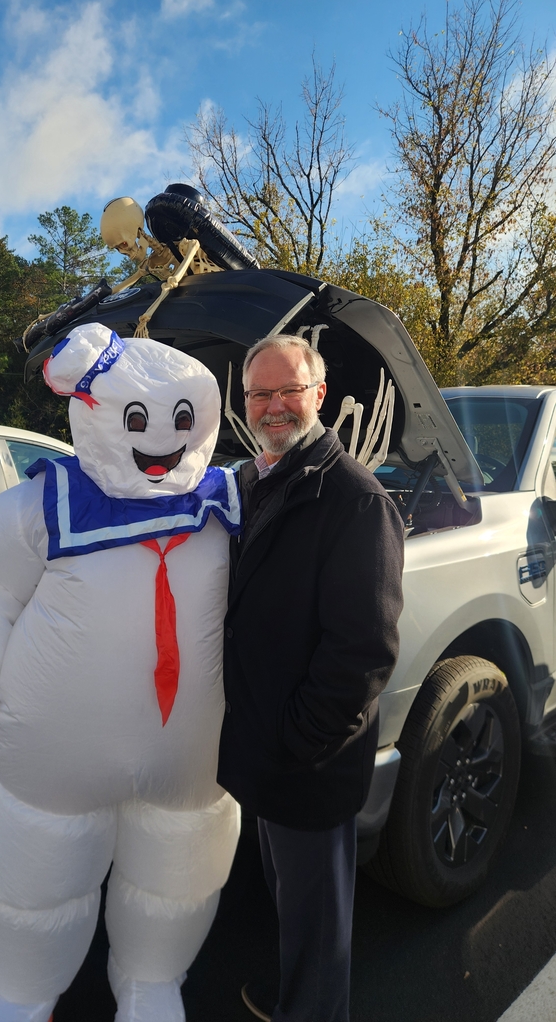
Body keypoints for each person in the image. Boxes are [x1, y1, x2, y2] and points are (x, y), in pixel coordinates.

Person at [0, 323, 241, 1022]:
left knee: (181, 869)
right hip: (59, 748)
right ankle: (21, 992)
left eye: (181, 419)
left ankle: (152, 981)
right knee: (38, 867)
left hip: (190, 751)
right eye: (138, 419)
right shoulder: (52, 501)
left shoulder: (225, 501)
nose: (162, 438)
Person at [217, 333, 404, 1022]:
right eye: (260, 393)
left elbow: (364, 650)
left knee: (319, 920)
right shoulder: (253, 481)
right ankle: (293, 990)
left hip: (307, 762)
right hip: (266, 754)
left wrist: (296, 743)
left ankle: (313, 1008)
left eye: (288, 390)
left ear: (318, 394)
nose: (273, 406)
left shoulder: (353, 499)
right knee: (287, 898)